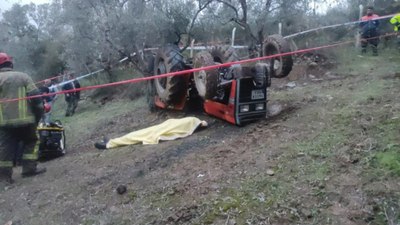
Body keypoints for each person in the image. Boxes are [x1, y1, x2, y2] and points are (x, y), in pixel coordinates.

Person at [0, 52, 46, 185]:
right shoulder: (23, 76)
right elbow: (36, 98)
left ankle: (4, 178)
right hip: (26, 121)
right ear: (10, 63)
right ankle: (29, 169)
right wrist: (38, 115)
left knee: (4, 149)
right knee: (32, 141)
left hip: (4, 123)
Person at [94, 117, 208, 150]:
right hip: (161, 127)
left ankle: (110, 144)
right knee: (136, 134)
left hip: (157, 130)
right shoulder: (193, 121)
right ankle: (112, 141)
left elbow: (176, 131)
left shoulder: (192, 122)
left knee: (135, 136)